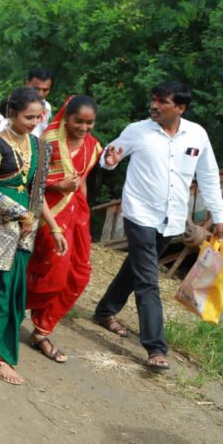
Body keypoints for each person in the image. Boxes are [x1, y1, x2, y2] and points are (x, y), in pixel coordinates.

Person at [94, 81, 223, 372]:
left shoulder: (197, 135)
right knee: (148, 279)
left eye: (162, 101)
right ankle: (155, 347)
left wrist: (219, 218)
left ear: (180, 107)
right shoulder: (137, 131)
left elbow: (209, 177)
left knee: (136, 268)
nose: (154, 105)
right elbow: (109, 156)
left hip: (172, 220)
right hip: (139, 214)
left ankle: (105, 310)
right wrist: (110, 160)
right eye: (153, 100)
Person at [0, 86, 61, 386]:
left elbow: (37, 192)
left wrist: (52, 225)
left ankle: (1, 348)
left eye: (38, 118)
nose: (33, 123)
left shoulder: (39, 146)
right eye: (28, 117)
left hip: (28, 225)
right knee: (0, 287)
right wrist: (21, 214)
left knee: (16, 291)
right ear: (11, 113)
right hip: (4, 222)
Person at [27, 95, 102, 364]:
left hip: (76, 215)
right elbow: (31, 183)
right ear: (66, 117)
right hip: (48, 214)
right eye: (78, 121)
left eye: (89, 123)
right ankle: (10, 308)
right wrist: (58, 187)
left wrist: (83, 214)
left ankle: (42, 331)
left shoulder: (93, 146)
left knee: (78, 276)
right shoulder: (47, 142)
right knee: (51, 274)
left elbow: (81, 183)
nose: (83, 128)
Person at [0, 67, 54, 138]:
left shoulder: (47, 107)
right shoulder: (15, 102)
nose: (40, 94)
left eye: (45, 90)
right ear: (27, 83)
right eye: (36, 89)